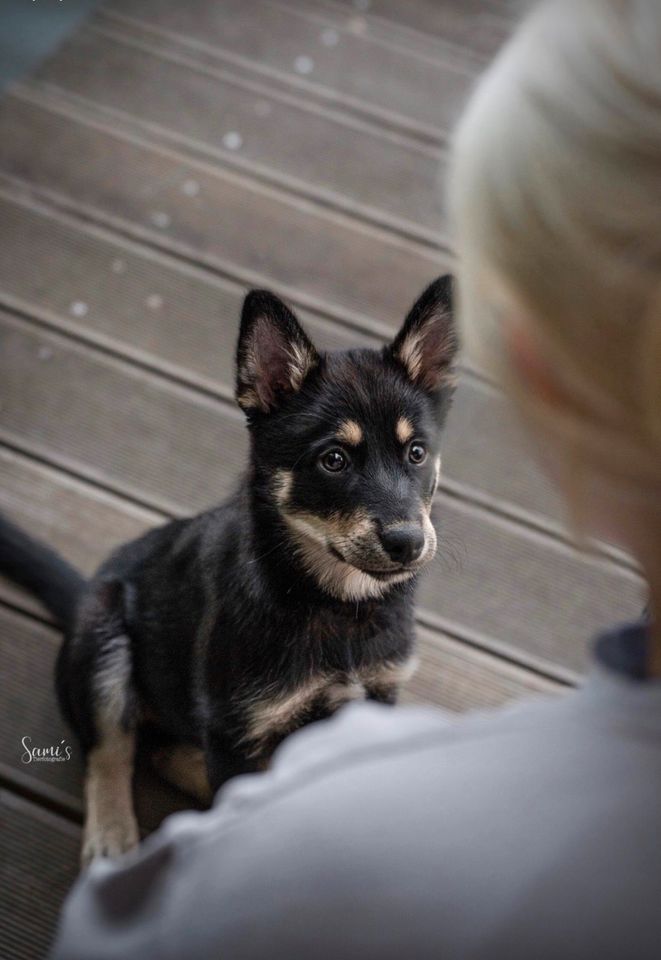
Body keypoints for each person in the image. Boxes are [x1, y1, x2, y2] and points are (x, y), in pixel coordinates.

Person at [51, 1, 661, 957]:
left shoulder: (392, 597)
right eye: (336, 462)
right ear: (263, 394)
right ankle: (110, 767)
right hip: (164, 641)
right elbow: (231, 731)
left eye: (412, 457)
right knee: (108, 633)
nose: (401, 520)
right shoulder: (250, 603)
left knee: (356, 697)